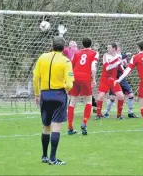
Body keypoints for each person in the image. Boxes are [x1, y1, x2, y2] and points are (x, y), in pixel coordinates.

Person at [33, 36, 74, 165]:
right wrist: (66, 88)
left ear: (52, 45)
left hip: (45, 94)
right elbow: (70, 83)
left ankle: (44, 156)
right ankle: (53, 158)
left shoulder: (42, 57)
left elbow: (35, 78)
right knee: (56, 127)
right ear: (64, 47)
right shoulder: (66, 61)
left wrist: (37, 94)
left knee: (46, 126)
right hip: (58, 94)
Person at [67, 37, 98, 135]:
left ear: (82, 44)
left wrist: (71, 78)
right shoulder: (94, 53)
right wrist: (94, 78)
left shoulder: (77, 53)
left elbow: (70, 67)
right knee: (88, 100)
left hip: (75, 77)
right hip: (85, 77)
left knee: (72, 101)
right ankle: (84, 122)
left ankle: (70, 128)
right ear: (91, 44)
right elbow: (93, 66)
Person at [103, 42, 138, 119]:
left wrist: (128, 68)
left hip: (121, 78)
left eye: (120, 48)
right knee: (113, 97)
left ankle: (130, 112)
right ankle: (107, 112)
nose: (119, 49)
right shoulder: (112, 56)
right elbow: (117, 63)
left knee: (130, 95)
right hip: (116, 78)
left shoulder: (120, 56)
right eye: (118, 48)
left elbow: (125, 64)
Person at [95, 43, 125, 120]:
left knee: (121, 96)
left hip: (113, 79)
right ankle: (98, 114)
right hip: (105, 79)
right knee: (101, 96)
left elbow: (120, 66)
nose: (108, 49)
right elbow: (107, 67)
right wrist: (117, 61)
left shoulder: (119, 56)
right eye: (107, 48)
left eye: (109, 48)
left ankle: (119, 115)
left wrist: (124, 71)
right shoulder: (105, 56)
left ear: (114, 49)